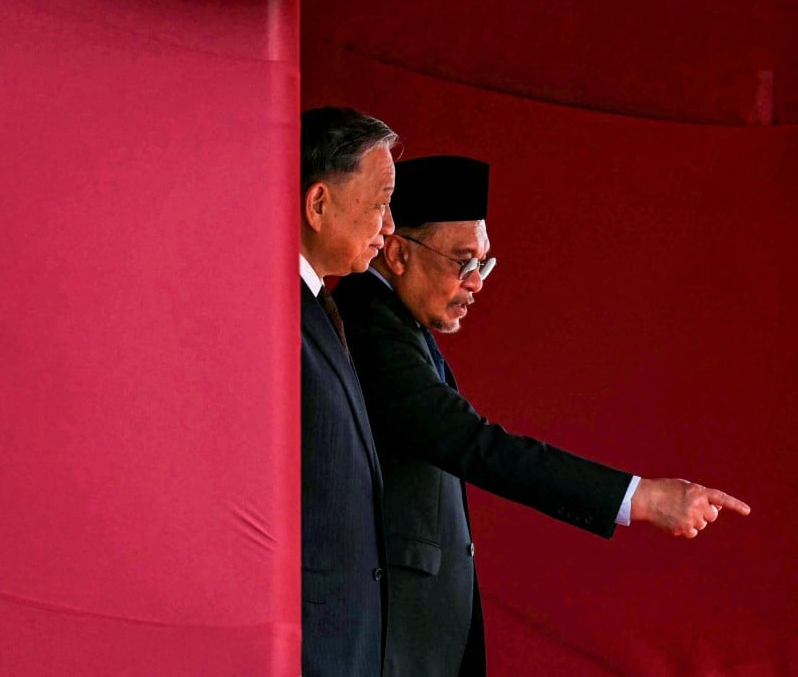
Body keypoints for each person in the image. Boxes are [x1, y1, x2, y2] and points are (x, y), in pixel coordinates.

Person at [332, 155, 751, 677]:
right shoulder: (372, 326)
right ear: (396, 253)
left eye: (483, 264)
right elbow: (472, 443)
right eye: (462, 262)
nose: (476, 283)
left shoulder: (395, 324)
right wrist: (638, 497)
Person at [299, 107, 398, 676]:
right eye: (382, 202)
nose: (389, 228)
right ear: (318, 204)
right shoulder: (274, 311)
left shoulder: (317, 311)